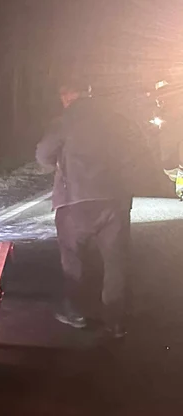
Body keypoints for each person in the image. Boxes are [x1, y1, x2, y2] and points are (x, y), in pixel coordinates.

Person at [35, 79, 144, 339]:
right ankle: (116, 321)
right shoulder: (116, 119)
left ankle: (75, 311)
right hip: (113, 200)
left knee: (73, 259)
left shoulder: (62, 122)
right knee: (116, 262)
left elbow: (42, 155)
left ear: (67, 96)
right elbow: (137, 152)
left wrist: (55, 165)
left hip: (74, 202)